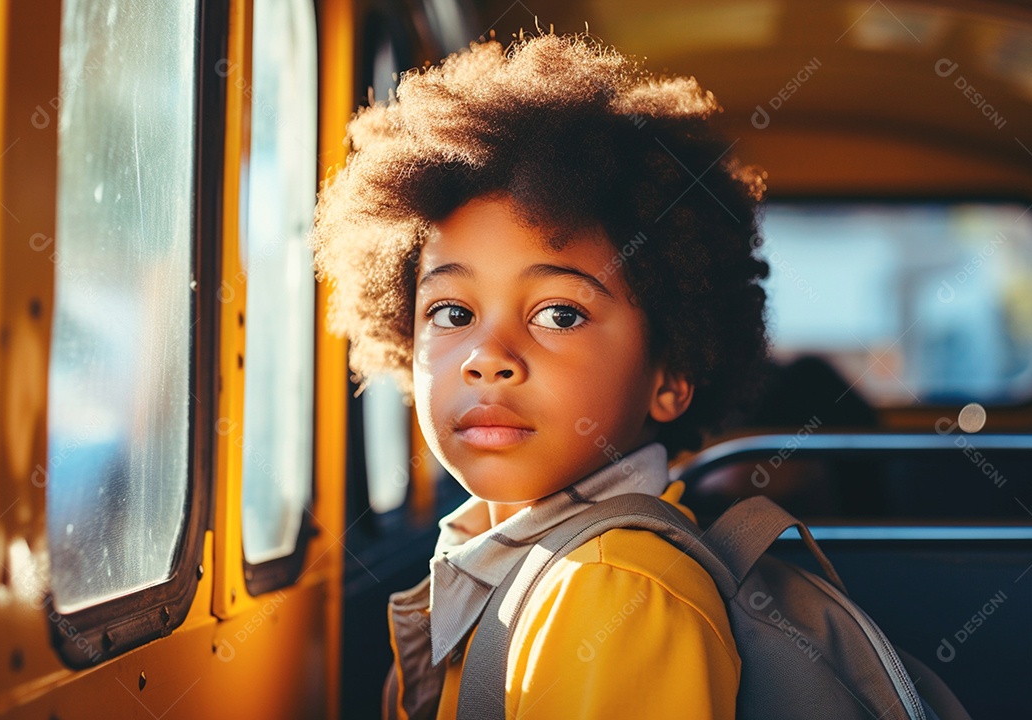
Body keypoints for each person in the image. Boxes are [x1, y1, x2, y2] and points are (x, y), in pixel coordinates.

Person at [312, 30, 769, 720]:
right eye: (451, 311)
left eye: (558, 315)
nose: (486, 355)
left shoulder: (617, 590)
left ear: (670, 375)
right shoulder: (510, 561)